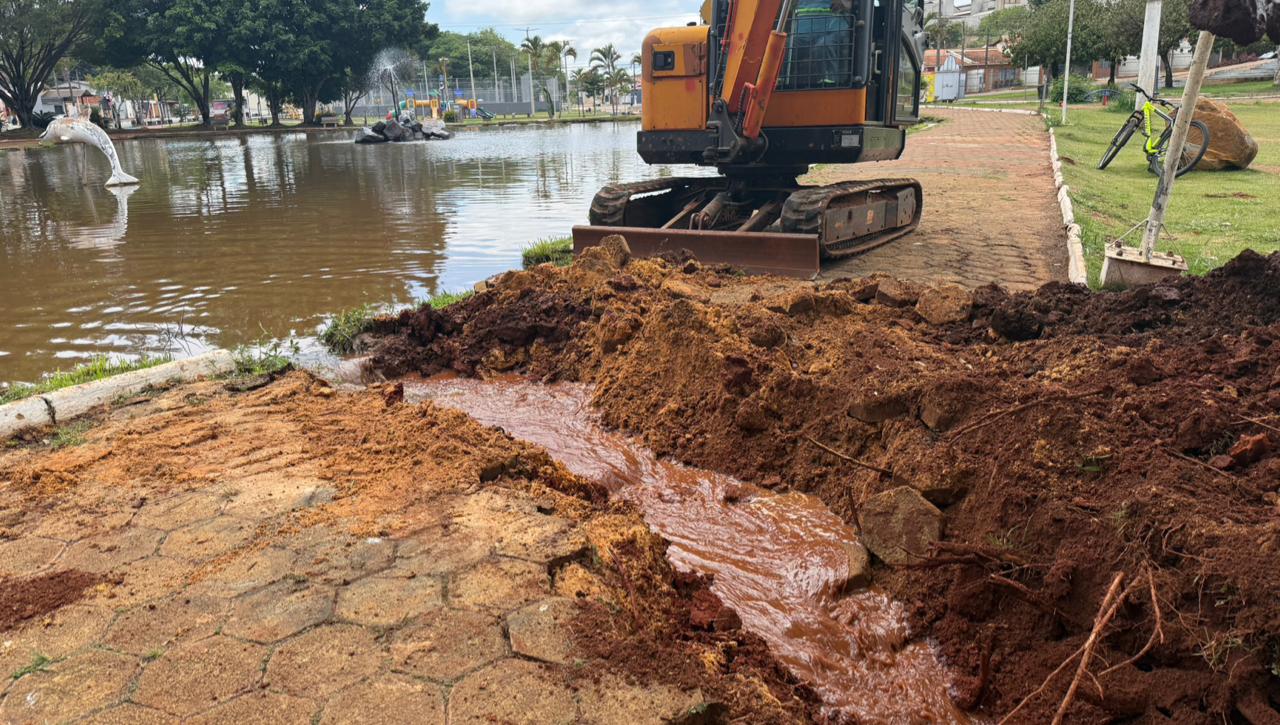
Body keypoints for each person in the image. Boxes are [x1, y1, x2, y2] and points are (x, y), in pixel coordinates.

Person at [790, 0, 854, 87]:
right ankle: (778, 80)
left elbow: (853, 5)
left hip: (834, 30)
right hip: (804, 33)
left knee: (823, 45)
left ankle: (828, 82)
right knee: (786, 46)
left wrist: (843, 3)